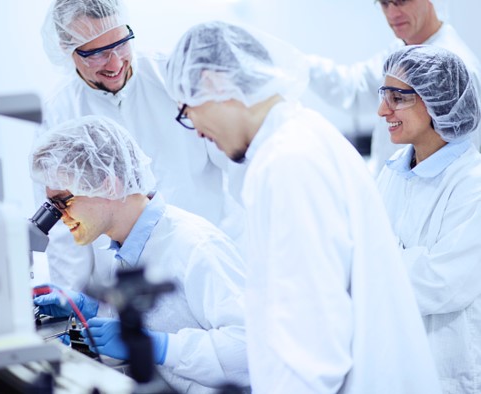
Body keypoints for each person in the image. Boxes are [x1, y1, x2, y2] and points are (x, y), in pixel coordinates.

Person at [165, 20, 441, 394]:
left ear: (215, 83)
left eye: (187, 109)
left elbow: (312, 345)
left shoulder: (287, 162)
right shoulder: (302, 136)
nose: (195, 129)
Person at [30, 115, 250, 393]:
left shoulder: (195, 245)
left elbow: (248, 347)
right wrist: (95, 308)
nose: (60, 216)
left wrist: (160, 346)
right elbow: (167, 316)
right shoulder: (124, 245)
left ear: (108, 185)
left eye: (63, 201)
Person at [38, 0, 246, 291]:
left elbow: (239, 163)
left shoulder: (172, 77)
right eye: (96, 53)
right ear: (66, 48)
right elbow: (64, 218)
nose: (115, 63)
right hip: (124, 281)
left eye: (121, 43)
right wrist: (71, 298)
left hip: (207, 261)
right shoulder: (60, 111)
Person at [376, 45, 481, 393]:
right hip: (392, 364)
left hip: (446, 373)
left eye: (397, 97)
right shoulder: (392, 172)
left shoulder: (472, 184)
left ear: (439, 102)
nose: (382, 110)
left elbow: (441, 282)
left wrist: (372, 262)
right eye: (383, 94)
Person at [306, 0, 481, 174]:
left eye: (401, 2)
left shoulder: (455, 67)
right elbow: (357, 89)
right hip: (395, 184)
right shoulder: (401, 51)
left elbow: (461, 155)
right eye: (384, 3)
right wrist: (300, 64)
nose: (392, 14)